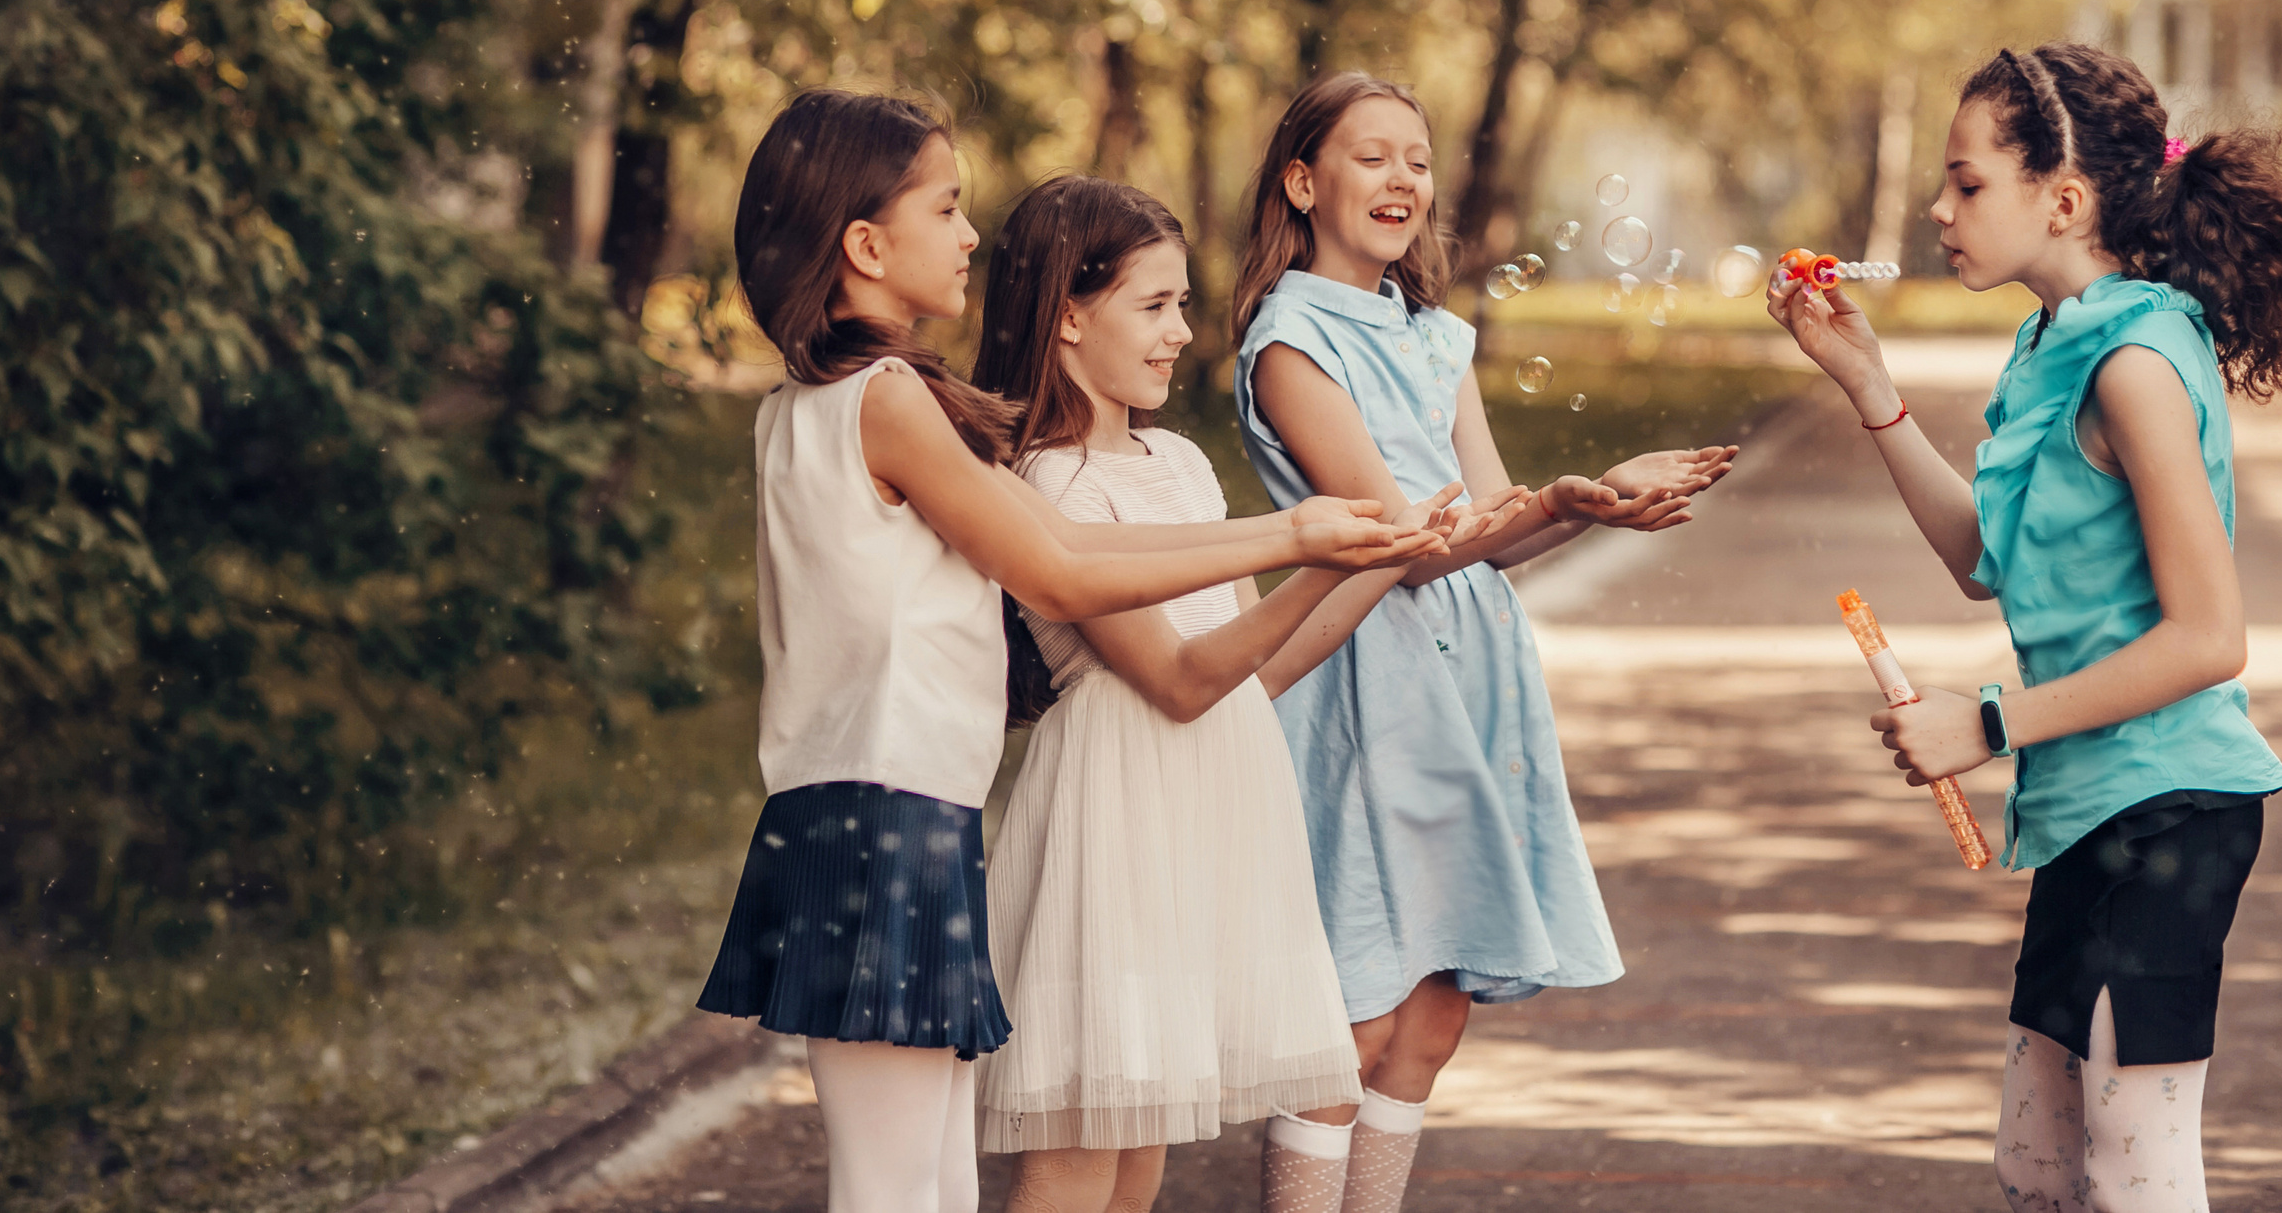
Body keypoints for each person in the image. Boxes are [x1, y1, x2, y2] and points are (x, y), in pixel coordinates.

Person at [696, 91, 1448, 1213]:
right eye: (944, 208)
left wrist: (1316, 540)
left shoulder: (830, 400)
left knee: (925, 1182)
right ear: (862, 242)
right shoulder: (888, 398)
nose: (966, 235)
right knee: (902, 1188)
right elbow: (1060, 573)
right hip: (883, 817)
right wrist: (1292, 531)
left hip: (882, 811)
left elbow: (1083, 541)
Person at [1768, 43, 2282, 1212]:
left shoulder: (2134, 359)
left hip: (2171, 806)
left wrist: (1985, 720)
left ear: (2064, 198)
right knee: (2039, 1169)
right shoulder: (2057, 340)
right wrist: (1867, 385)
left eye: (1967, 181)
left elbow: (2209, 636)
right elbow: (1984, 561)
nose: (1938, 207)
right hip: (2090, 800)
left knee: (2136, 1163)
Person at [967, 176, 1525, 1213]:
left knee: (1141, 1156)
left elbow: (1250, 668)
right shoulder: (1047, 484)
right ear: (1067, 313)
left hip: (1203, 805)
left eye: (1183, 303)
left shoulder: (1173, 461)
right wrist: (1320, 550)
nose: (1181, 331)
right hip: (1118, 816)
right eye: (1154, 305)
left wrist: (1384, 554)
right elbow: (1180, 679)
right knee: (1086, 1149)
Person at [1231, 71, 1737, 1212]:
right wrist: (1560, 498)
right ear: (1303, 182)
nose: (1402, 177)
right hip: (1365, 673)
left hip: (1472, 674)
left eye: (1416, 156)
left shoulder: (1435, 335)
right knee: (1351, 1012)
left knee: (1435, 1008)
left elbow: (1493, 530)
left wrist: (1585, 499)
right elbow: (1398, 546)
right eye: (1371, 156)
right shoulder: (1290, 341)